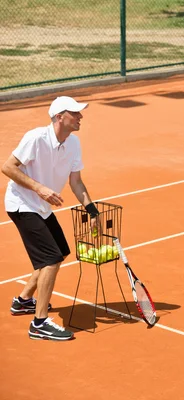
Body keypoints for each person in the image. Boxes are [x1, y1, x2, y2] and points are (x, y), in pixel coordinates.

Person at [3, 96, 100, 341]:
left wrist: (92, 210)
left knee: (59, 251)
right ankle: (39, 322)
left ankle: (24, 300)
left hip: (41, 207)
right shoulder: (36, 138)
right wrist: (39, 188)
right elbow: (8, 167)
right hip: (22, 204)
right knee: (51, 258)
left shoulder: (73, 143)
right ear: (59, 117)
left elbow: (76, 182)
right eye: (75, 113)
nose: (80, 117)